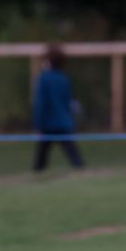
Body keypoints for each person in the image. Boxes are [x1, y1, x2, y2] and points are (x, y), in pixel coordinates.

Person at [32, 43, 84, 171]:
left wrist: (38, 125)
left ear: (48, 61)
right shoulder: (64, 78)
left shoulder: (44, 79)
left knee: (41, 159)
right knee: (74, 156)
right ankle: (82, 171)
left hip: (49, 125)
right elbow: (69, 103)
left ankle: (37, 175)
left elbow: (41, 104)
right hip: (64, 123)